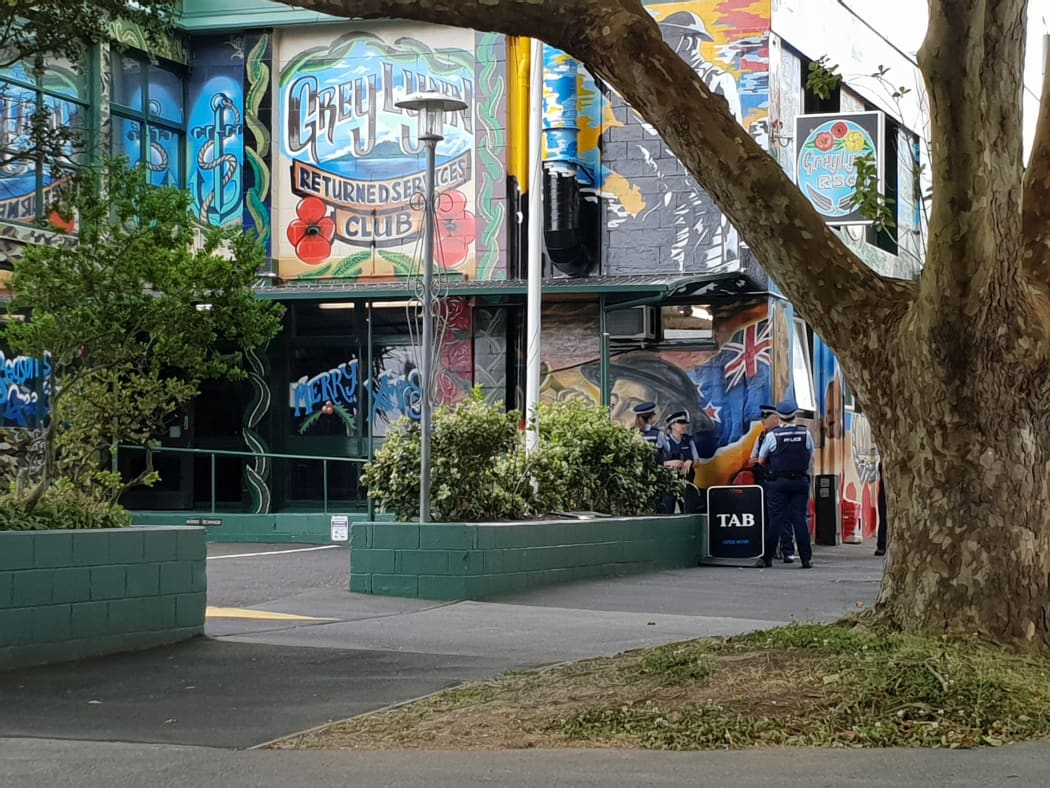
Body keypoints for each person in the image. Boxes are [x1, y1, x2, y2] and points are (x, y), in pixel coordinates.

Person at [755, 400, 814, 569]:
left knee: (775, 520)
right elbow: (811, 456)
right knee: (799, 519)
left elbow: (760, 459)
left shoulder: (772, 436)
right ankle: (806, 559)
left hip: (778, 483)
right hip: (800, 482)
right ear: (795, 415)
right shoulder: (806, 434)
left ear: (779, 417)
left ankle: (767, 559)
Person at [749, 404, 795, 563]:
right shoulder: (761, 437)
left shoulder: (782, 435)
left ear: (776, 419)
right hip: (764, 480)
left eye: (766, 418)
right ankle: (769, 550)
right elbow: (752, 458)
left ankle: (787, 550)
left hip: (778, 481)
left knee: (784, 517)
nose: (763, 421)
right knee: (767, 518)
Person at [660, 409, 701, 514]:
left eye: (685, 424)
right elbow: (656, 462)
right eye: (680, 423)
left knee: (688, 511)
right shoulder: (664, 440)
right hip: (668, 483)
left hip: (686, 483)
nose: (684, 426)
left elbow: (698, 463)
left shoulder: (688, 440)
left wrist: (690, 462)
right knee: (666, 511)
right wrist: (668, 463)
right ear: (672, 425)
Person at [875, 460, 888, 556]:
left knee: (884, 519)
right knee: (884, 519)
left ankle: (882, 546)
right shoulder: (884, 465)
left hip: (885, 495)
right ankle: (882, 545)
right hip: (884, 495)